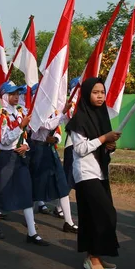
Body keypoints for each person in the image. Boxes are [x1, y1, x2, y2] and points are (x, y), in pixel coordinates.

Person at [66, 77, 121, 269]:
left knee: (93, 216)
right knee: (105, 213)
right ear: (87, 94)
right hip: (85, 174)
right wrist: (104, 139)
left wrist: (110, 146)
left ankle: (94, 254)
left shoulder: (102, 117)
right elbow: (79, 149)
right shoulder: (78, 120)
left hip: (100, 172)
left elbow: (103, 149)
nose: (100, 96)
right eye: (95, 92)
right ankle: (93, 256)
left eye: (102, 92)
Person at [0, 81, 48, 245]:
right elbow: (3, 139)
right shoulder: (0, 115)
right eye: (12, 94)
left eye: (17, 93)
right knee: (2, 190)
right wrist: (19, 126)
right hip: (8, 157)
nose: (16, 96)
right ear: (5, 96)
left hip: (21, 157)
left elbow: (25, 136)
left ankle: (32, 232)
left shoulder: (20, 112)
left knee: (26, 190)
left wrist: (26, 146)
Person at [29, 92, 78, 234]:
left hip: (50, 150)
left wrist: (55, 139)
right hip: (37, 150)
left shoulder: (52, 112)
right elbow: (47, 125)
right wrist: (62, 113)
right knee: (36, 185)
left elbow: (57, 130)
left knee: (62, 183)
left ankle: (68, 222)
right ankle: (30, 219)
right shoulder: (34, 112)